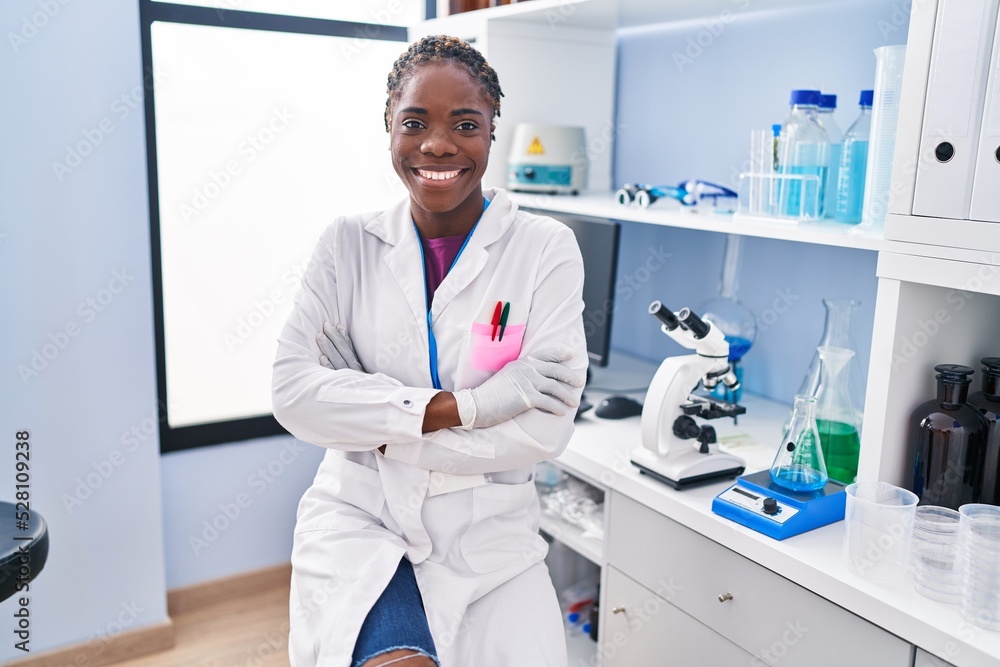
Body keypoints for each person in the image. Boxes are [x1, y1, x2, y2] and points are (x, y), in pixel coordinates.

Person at [272, 35, 587, 667]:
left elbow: (545, 429)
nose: (437, 145)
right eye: (413, 122)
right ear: (388, 127)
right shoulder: (345, 245)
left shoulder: (544, 249)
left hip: (489, 537)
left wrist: (370, 419)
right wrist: (465, 407)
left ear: (493, 131)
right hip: (362, 519)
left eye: (465, 124)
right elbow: (293, 397)